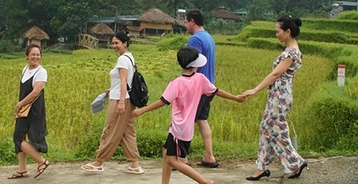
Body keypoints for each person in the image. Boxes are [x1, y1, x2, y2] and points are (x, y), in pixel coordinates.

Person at [132, 47, 244, 184]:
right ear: (194, 65)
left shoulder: (177, 83)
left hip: (179, 129)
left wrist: (142, 110)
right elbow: (217, 91)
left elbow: (163, 101)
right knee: (166, 152)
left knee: (172, 160)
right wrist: (235, 98)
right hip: (184, 128)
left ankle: (203, 181)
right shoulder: (201, 79)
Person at [242, 15, 308, 181]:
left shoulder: (291, 52)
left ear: (288, 31)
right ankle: (261, 167)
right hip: (278, 95)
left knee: (278, 132)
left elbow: (276, 73)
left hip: (279, 97)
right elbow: (290, 77)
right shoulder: (290, 50)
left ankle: (296, 162)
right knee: (266, 128)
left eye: (278, 31)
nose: (276, 34)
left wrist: (255, 90)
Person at [81, 31, 143, 174]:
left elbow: (123, 80)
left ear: (124, 43)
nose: (113, 46)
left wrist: (121, 102)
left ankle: (99, 161)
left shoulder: (122, 59)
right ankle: (135, 164)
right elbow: (126, 81)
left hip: (120, 100)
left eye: (117, 43)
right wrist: (112, 89)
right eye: (113, 43)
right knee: (127, 132)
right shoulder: (130, 58)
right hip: (127, 99)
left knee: (110, 129)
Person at [8, 44, 50, 179]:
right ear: (27, 56)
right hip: (24, 108)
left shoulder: (41, 72)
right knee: (19, 135)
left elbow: (35, 92)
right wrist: (20, 106)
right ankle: (22, 170)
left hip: (33, 110)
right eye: (33, 54)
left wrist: (19, 104)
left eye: (38, 55)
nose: (36, 57)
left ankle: (42, 162)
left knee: (18, 137)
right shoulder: (25, 69)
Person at [184, 9, 219, 168]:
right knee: (201, 119)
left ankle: (182, 158)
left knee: (186, 121)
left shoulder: (195, 39)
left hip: (197, 87)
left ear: (192, 21)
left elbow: (192, 65)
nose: (185, 25)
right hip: (209, 85)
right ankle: (209, 156)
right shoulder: (209, 37)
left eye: (185, 22)